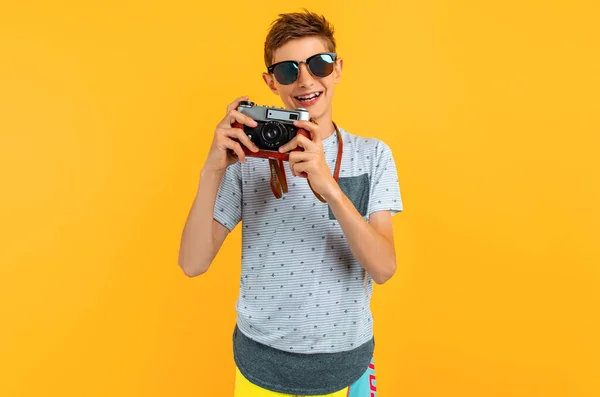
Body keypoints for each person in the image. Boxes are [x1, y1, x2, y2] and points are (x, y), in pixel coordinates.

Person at [178, 9, 403, 397]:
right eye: (287, 71)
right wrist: (213, 168)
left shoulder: (372, 155)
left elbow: (383, 268)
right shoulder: (248, 159)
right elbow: (192, 263)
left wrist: (329, 185)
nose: (305, 80)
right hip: (261, 366)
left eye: (318, 64)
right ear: (270, 82)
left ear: (337, 69)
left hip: (347, 365)